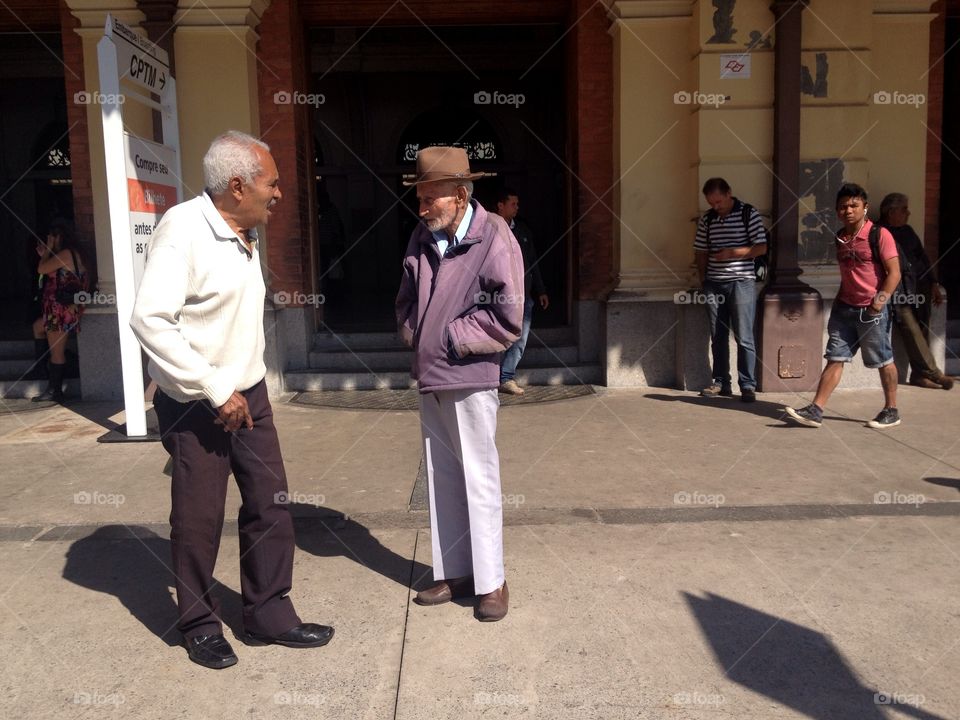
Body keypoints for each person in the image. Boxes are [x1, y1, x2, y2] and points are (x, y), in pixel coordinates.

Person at [130, 131, 333, 669]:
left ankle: (268, 611)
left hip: (250, 393)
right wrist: (216, 389)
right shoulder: (183, 231)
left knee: (271, 502)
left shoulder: (243, 230)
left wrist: (244, 384)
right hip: (199, 401)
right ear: (237, 185)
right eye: (272, 182)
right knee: (198, 517)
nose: (279, 193)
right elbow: (149, 319)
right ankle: (198, 623)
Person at [395, 146, 523, 622]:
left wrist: (448, 339)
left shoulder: (494, 235)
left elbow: (506, 312)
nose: (422, 207)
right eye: (420, 198)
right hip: (431, 374)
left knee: (478, 475)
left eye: (432, 198)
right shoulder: (421, 235)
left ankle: (492, 581)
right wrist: (416, 335)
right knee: (441, 475)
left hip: (469, 372)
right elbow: (406, 297)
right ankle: (453, 572)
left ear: (461, 194)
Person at [785, 183, 902, 429]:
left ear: (865, 207)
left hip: (872, 311)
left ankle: (891, 410)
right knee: (835, 358)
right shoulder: (841, 237)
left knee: (883, 360)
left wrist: (877, 306)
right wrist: (840, 300)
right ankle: (815, 410)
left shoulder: (879, 235)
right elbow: (849, 274)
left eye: (853, 205)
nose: (848, 210)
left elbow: (894, 274)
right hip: (844, 308)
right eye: (842, 207)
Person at [693, 178, 767, 403]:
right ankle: (721, 382)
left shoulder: (748, 213)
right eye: (711, 203)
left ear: (728, 193)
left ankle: (747, 385)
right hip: (714, 283)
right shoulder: (708, 219)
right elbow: (701, 250)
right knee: (717, 335)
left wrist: (733, 253)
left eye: (719, 202)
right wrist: (703, 279)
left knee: (744, 336)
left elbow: (761, 247)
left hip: (741, 282)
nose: (716, 207)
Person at [878, 193, 952, 390]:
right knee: (911, 330)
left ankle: (919, 375)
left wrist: (934, 283)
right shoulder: (880, 232)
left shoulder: (908, 231)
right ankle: (934, 372)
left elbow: (923, 258)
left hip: (919, 286)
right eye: (904, 209)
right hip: (898, 290)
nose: (908, 213)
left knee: (922, 329)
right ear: (891, 212)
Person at [495, 187, 548, 396]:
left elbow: (533, 261)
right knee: (497, 337)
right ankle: (491, 376)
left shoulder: (523, 230)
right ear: (500, 205)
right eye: (513, 204)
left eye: (517, 204)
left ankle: (506, 377)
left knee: (520, 338)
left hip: (523, 294)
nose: (517, 208)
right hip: (497, 296)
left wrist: (541, 290)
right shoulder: (488, 229)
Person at [31, 219, 87, 402]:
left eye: (51, 238)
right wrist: (45, 254)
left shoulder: (65, 254)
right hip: (61, 309)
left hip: (60, 310)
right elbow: (48, 272)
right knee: (38, 327)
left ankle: (55, 390)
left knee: (57, 351)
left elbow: (42, 268)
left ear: (58, 237)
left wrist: (47, 251)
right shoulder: (69, 255)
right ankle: (41, 370)